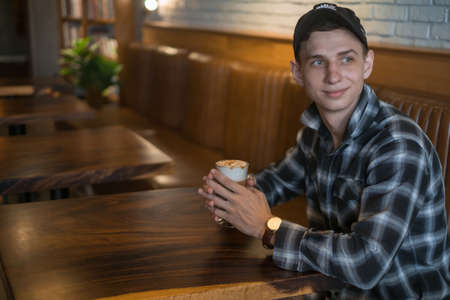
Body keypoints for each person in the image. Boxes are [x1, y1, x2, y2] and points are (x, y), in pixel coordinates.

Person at [198, 3, 450, 299]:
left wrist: (267, 228)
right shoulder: (315, 134)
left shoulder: (398, 145)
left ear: (367, 64)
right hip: (331, 288)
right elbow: (275, 182)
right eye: (318, 62)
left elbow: (366, 263)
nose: (333, 75)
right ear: (298, 72)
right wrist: (231, 197)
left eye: (346, 59)